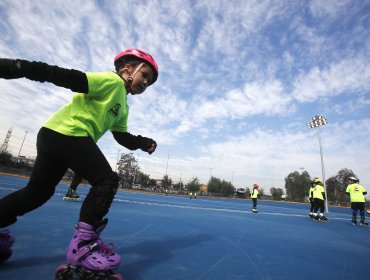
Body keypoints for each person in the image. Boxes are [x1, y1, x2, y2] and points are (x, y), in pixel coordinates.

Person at [0, 48, 158, 272]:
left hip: (54, 135)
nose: (145, 83)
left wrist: (143, 142)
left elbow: (122, 136)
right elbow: (63, 76)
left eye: (149, 82)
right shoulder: (110, 81)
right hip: (68, 133)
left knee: (36, 194)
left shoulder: (123, 106)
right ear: (128, 68)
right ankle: (84, 246)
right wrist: (17, 67)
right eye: (145, 75)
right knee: (106, 180)